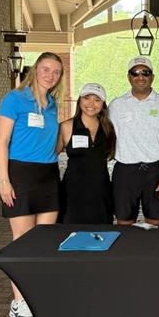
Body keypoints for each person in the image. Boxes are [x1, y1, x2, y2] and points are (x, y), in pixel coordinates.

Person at [0, 52, 64, 317]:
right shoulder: (14, 99)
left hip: (47, 175)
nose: (50, 75)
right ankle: (19, 301)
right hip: (20, 174)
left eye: (56, 71)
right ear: (35, 70)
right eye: (46, 69)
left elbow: (53, 140)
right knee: (23, 241)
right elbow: (2, 142)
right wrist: (4, 180)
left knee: (44, 239)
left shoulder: (52, 103)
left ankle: (38, 295)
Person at [108, 56, 159, 227]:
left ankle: (154, 253)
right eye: (135, 73)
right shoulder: (116, 105)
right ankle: (126, 253)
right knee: (124, 222)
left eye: (145, 73)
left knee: (156, 222)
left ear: (152, 77)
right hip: (125, 171)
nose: (140, 77)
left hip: (156, 172)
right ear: (129, 77)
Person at [57, 83, 115, 224]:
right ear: (80, 101)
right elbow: (51, 155)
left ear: (103, 104)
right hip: (72, 192)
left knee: (100, 235)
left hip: (100, 191)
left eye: (97, 100)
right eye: (87, 98)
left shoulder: (108, 128)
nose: (91, 104)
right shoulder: (66, 126)